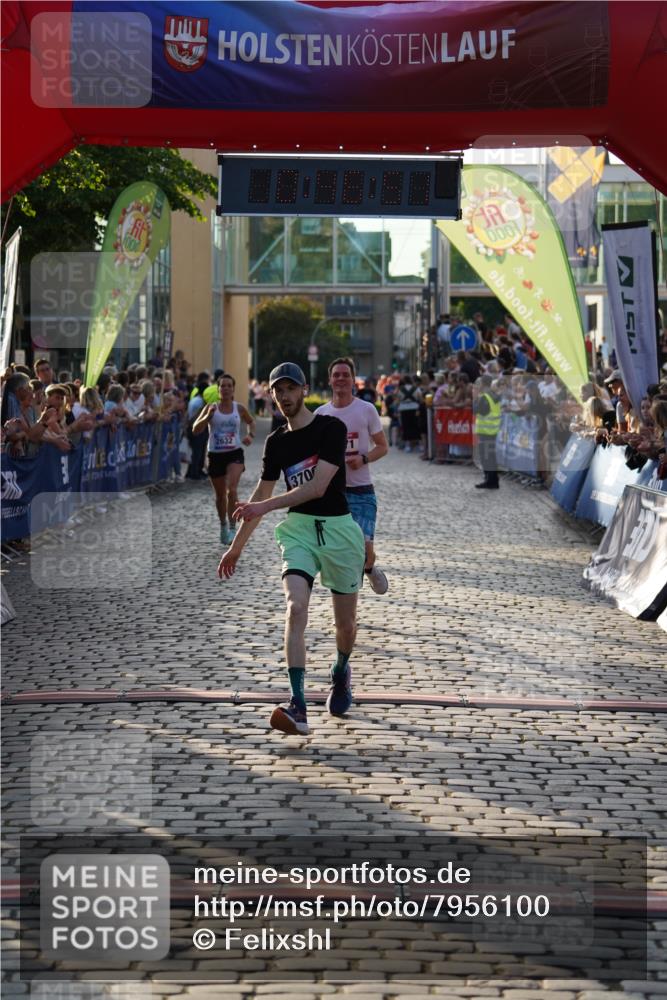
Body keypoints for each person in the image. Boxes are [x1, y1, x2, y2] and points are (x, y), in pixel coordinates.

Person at [218, 362, 366, 737]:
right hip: (298, 532)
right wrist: (236, 548)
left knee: (345, 626)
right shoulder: (277, 442)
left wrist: (263, 508)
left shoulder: (331, 428)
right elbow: (259, 496)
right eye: (277, 390)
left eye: (290, 389)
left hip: (338, 531)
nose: (283, 396)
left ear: (304, 390)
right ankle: (298, 704)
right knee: (295, 606)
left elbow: (317, 488)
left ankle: (340, 669)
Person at [315, 357, 389, 595]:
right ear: (330, 380)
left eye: (345, 374)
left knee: (366, 549)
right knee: (343, 551)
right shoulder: (321, 414)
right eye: (336, 374)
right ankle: (348, 603)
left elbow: (382, 446)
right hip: (333, 493)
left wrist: (363, 459)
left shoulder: (366, 410)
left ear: (353, 380)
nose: (341, 379)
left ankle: (369, 569)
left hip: (361, 490)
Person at [193, 373, 255, 544]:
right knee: (220, 496)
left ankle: (233, 529)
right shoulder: (211, 408)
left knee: (232, 489)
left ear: (233, 389)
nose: (226, 389)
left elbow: (251, 422)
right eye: (223, 386)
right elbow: (195, 429)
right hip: (215, 455)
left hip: (234, 453)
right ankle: (223, 525)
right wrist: (207, 417)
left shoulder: (239, 408)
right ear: (218, 389)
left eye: (229, 386)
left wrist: (251, 435)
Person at [473, 374, 502, 489]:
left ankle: (490, 481)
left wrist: (475, 399)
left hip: (486, 430)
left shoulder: (485, 397)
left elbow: (478, 411)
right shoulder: (494, 395)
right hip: (492, 430)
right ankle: (493, 479)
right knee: (490, 457)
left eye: (479, 384)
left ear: (483, 384)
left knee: (486, 457)